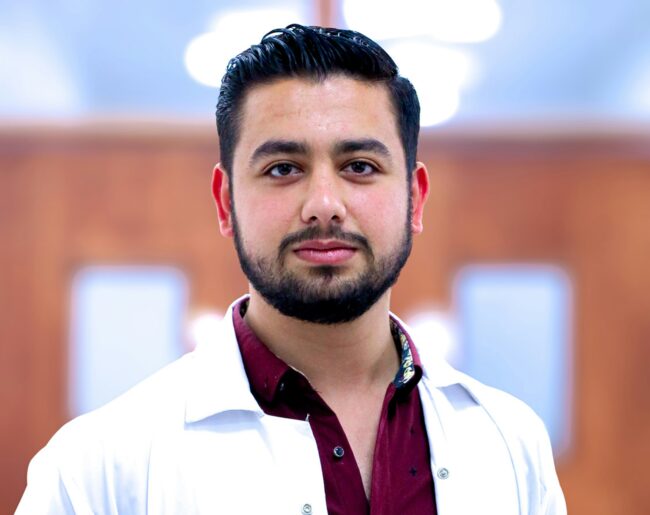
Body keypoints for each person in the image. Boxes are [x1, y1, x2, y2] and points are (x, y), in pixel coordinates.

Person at [17, 24, 566, 514]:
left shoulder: (510, 444)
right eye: (283, 168)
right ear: (226, 203)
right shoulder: (98, 470)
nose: (324, 204)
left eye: (359, 166)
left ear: (414, 199)